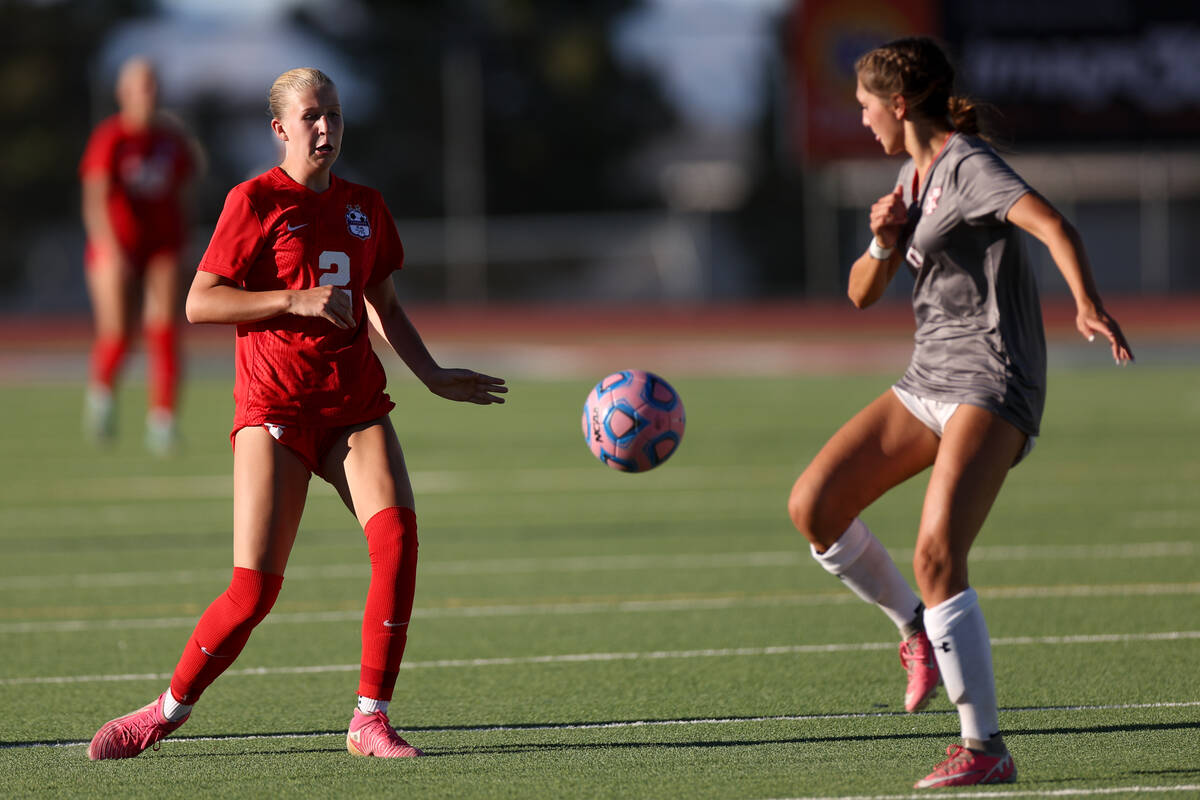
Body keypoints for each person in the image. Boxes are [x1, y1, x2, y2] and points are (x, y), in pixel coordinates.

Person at [87, 67, 507, 761]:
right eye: (311, 116)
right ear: (280, 128)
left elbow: (387, 305)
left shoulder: (365, 205)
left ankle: (369, 719)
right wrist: (292, 300)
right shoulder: (252, 201)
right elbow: (200, 302)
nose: (326, 128)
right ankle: (165, 711)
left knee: (397, 542)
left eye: (335, 115)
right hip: (274, 412)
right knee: (252, 592)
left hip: (354, 407)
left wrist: (430, 374)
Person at [787, 37, 1133, 789]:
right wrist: (883, 242)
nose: (862, 117)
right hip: (928, 378)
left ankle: (984, 748)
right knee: (815, 504)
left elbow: (1051, 224)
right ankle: (914, 627)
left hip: (993, 379)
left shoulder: (969, 165)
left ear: (900, 103)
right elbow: (858, 294)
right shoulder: (913, 179)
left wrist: (1087, 303)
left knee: (938, 553)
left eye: (866, 105)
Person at [79, 56, 201, 453]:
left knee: (165, 328)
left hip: (163, 244)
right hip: (117, 244)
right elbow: (95, 201)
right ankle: (102, 395)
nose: (146, 94)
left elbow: (185, 193)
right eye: (138, 87)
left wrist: (187, 242)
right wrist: (111, 251)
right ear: (123, 93)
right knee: (118, 331)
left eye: (152, 86)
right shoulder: (110, 138)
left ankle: (162, 420)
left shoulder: (172, 139)